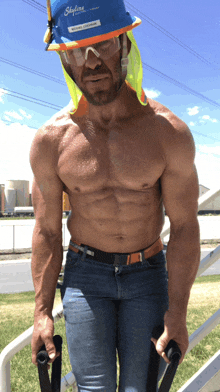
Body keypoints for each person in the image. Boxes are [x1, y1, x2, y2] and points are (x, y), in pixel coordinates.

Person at [31, 0, 200, 390]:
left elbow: (186, 225)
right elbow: (46, 231)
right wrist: (41, 313)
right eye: (76, 49)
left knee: (140, 388)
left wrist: (178, 312)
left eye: (103, 44)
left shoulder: (167, 133)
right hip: (85, 275)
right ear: (64, 60)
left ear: (125, 43)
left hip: (148, 273)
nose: (91, 62)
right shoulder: (50, 141)